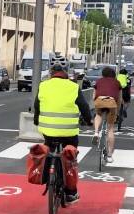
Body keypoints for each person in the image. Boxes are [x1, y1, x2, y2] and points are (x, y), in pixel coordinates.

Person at [34, 62, 93, 203]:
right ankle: (70, 192)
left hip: (48, 129)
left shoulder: (43, 85)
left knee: (49, 149)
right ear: (66, 73)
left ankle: (48, 176)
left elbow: (37, 105)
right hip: (69, 131)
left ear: (51, 74)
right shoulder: (73, 87)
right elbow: (84, 106)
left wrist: (37, 120)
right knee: (70, 156)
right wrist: (88, 120)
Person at [91, 66, 122, 156]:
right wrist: (117, 110)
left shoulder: (98, 81)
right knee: (110, 129)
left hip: (100, 100)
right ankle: (109, 155)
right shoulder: (117, 82)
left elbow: (94, 96)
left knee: (98, 115)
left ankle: (96, 132)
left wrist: (96, 104)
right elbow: (120, 99)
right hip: (112, 102)